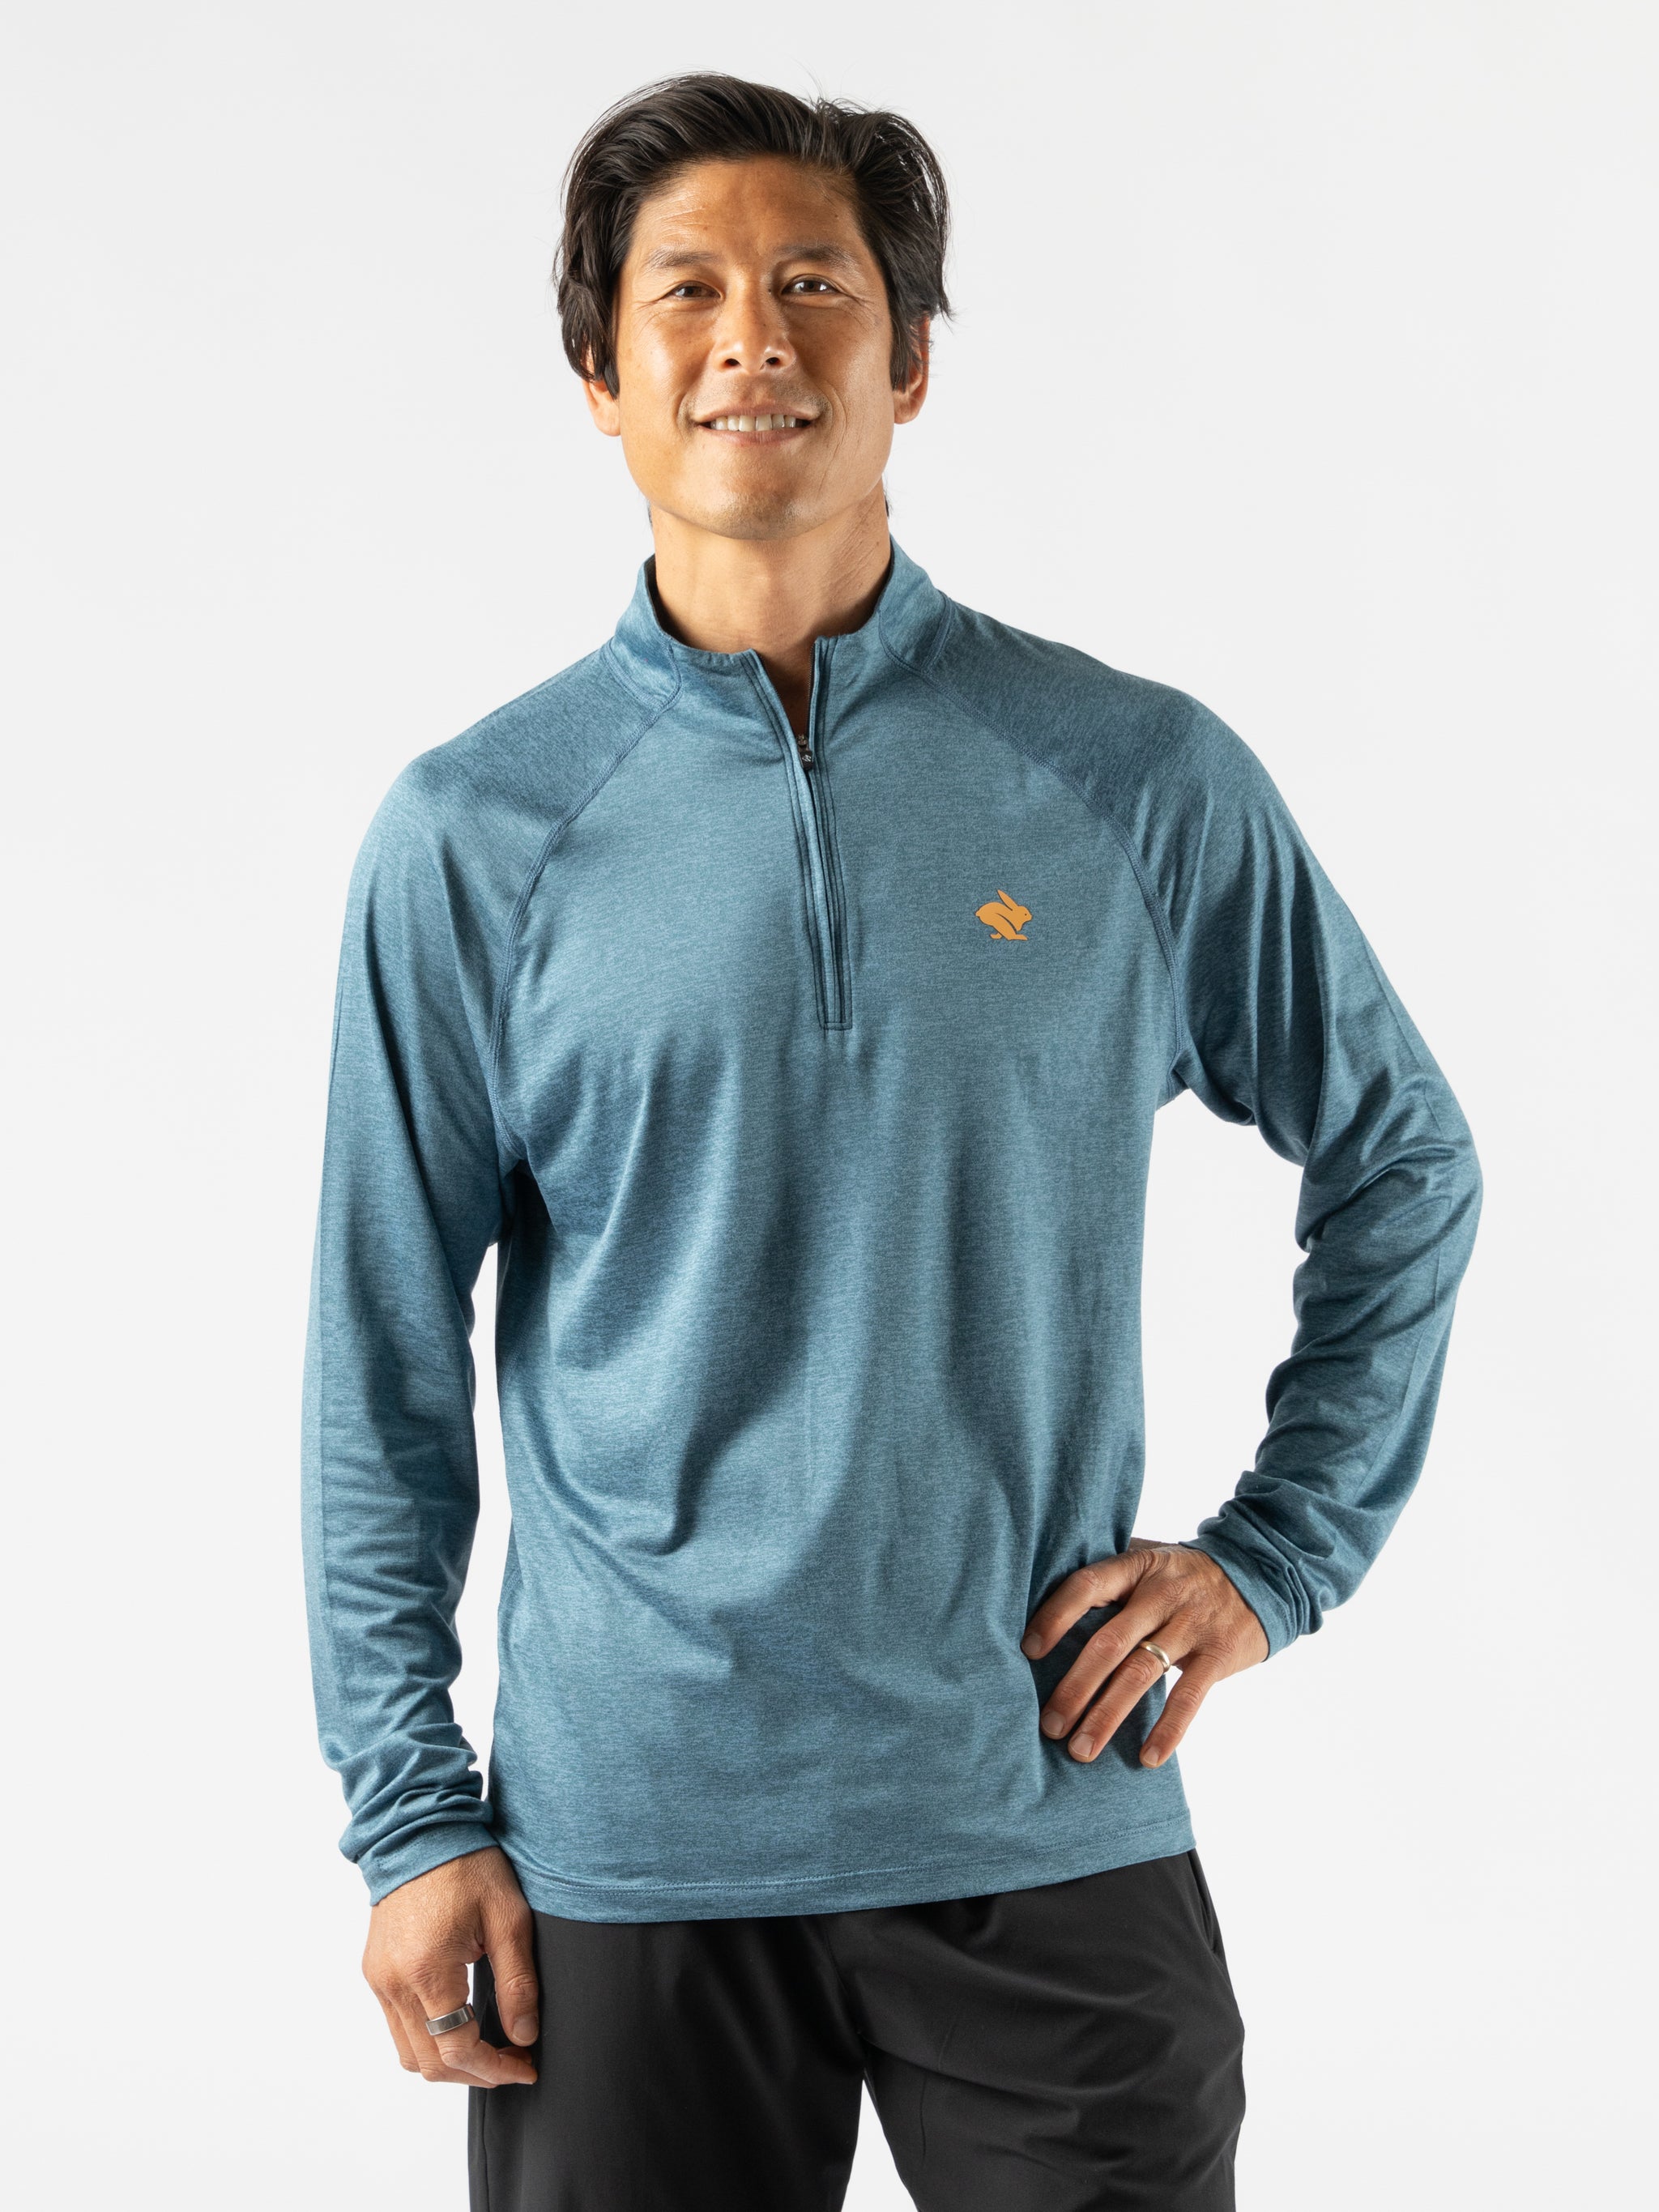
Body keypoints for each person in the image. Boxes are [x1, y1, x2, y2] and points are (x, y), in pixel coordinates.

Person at [302, 73, 1482, 2212]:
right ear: (601, 376)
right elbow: (381, 1356)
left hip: (1043, 1806)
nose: (752, 336)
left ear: (910, 358)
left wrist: (1276, 1556)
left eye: (814, 284)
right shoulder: (475, 834)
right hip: (625, 1853)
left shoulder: (1133, 777)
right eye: (687, 291)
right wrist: (409, 1815)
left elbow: (1401, 1153)